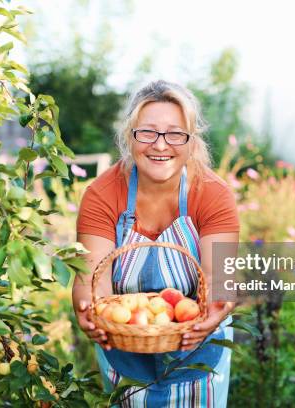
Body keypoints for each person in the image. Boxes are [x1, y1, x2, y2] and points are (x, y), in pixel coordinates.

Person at [73, 80, 239, 407]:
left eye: (175, 133)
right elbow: (91, 280)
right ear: (129, 136)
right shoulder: (102, 195)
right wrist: (91, 311)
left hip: (197, 351)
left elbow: (218, 276)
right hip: (126, 355)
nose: (160, 145)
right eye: (147, 132)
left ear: (192, 141)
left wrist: (215, 308)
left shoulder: (212, 194)